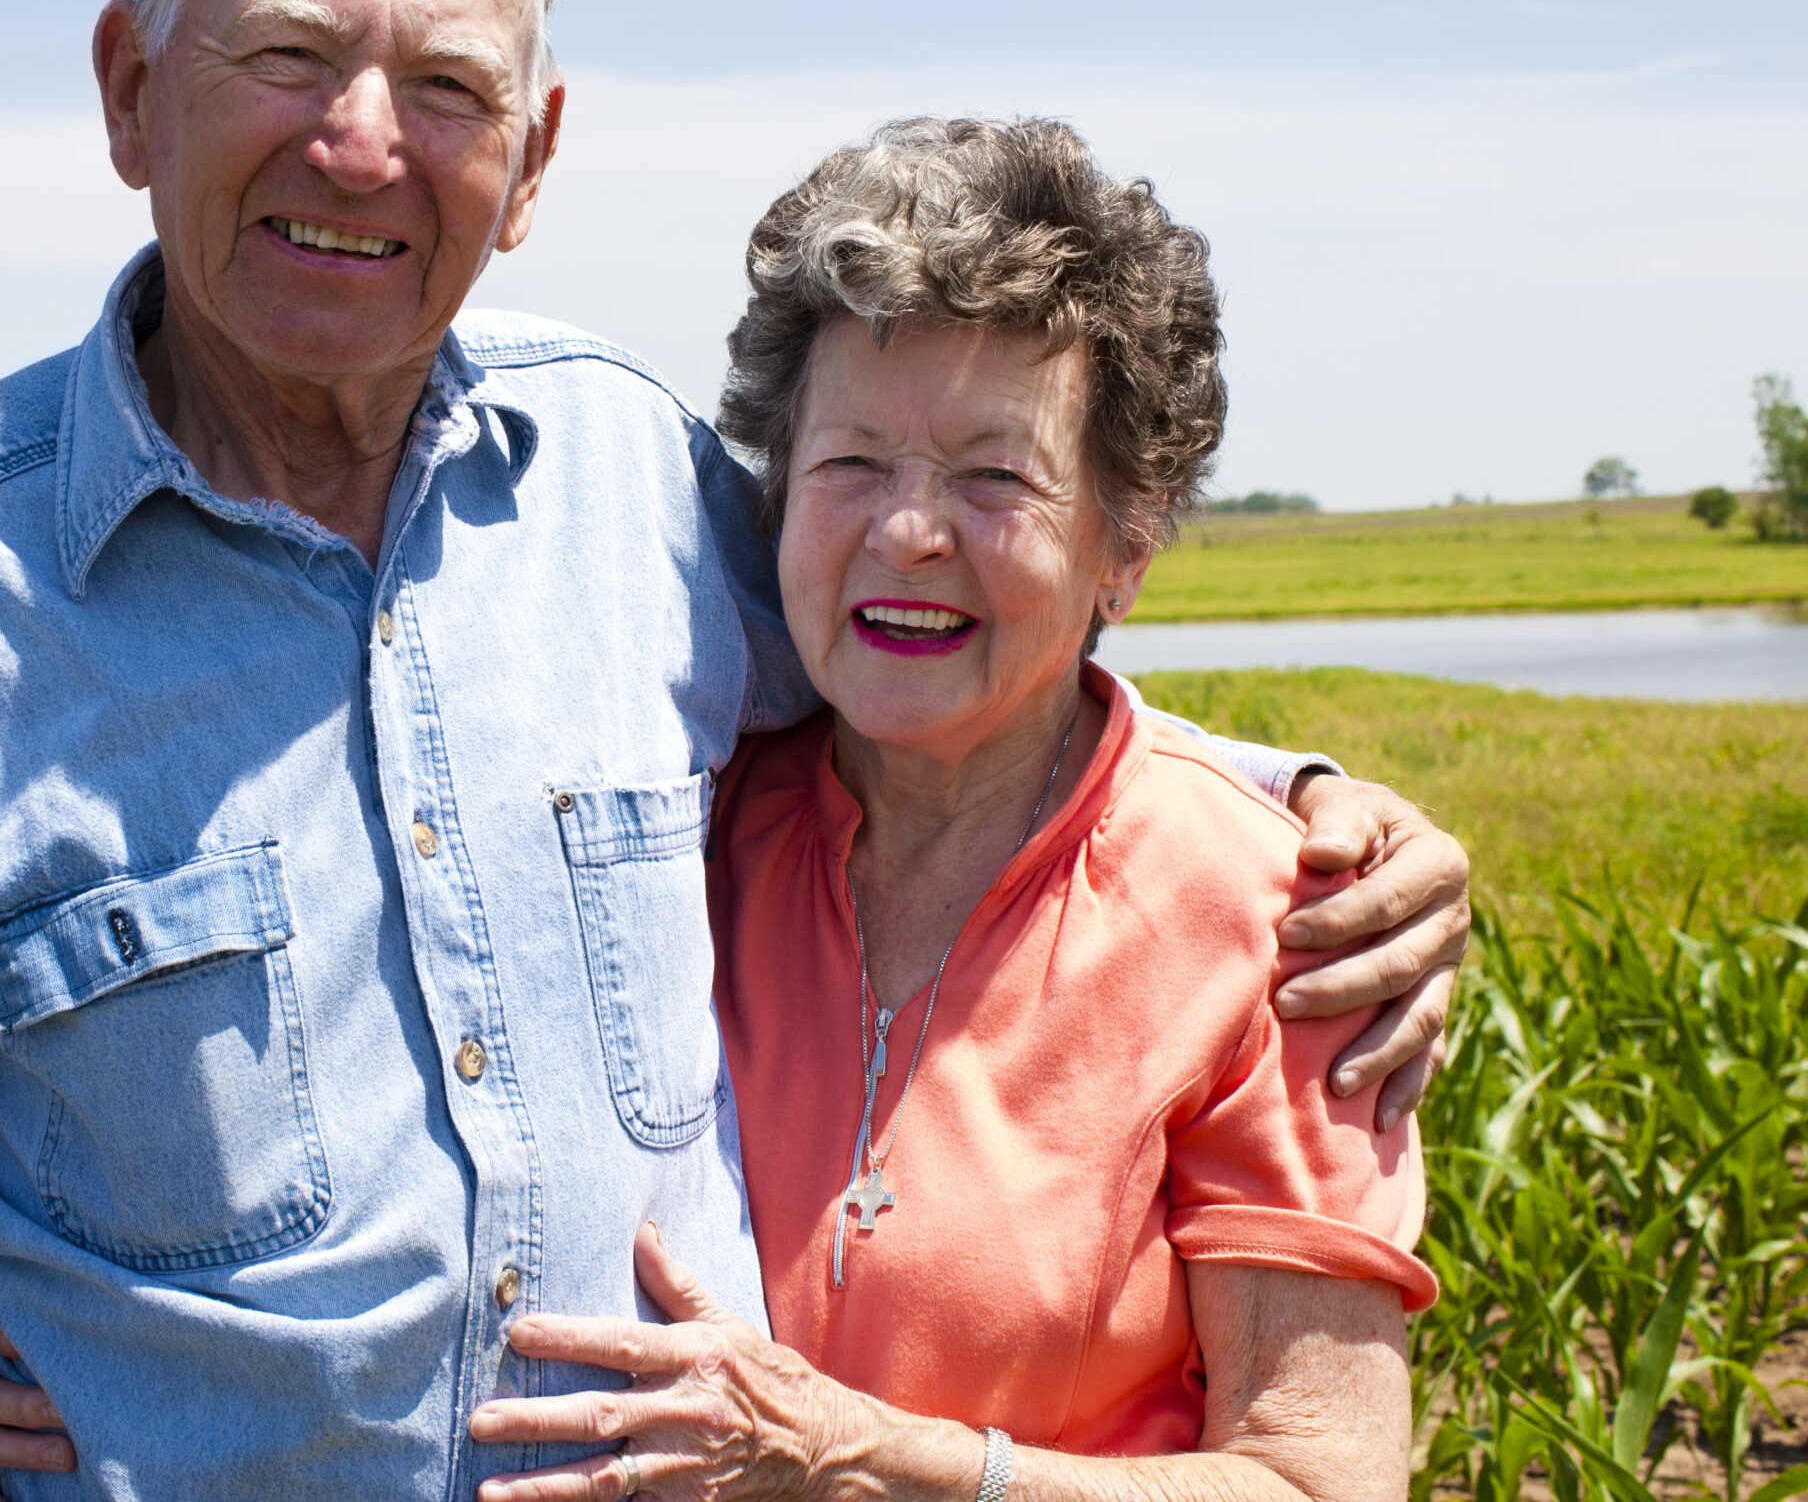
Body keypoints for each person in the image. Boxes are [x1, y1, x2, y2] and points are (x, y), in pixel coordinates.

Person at [0, 0, 1469, 1497]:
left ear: (533, 160)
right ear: (129, 91)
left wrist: (1304, 811)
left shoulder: (628, 484)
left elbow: (960, 684)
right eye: (288, 56)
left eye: (449, 88)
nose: (361, 143)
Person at [461, 119, 1434, 1501]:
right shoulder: (675, 832)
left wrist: (880, 1463)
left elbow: (1322, 1481)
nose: (909, 532)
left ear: (1126, 547)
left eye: (995, 477)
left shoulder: (1283, 919)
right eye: (852, 463)